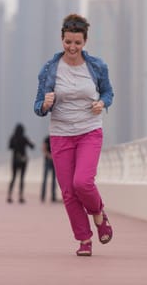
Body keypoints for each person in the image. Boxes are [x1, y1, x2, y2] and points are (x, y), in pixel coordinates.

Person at [33, 13, 114, 257]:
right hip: (60, 135)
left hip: (89, 131)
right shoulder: (49, 69)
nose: (72, 47)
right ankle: (84, 239)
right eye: (68, 42)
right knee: (68, 191)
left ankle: (98, 214)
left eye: (77, 43)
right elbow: (37, 106)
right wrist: (45, 104)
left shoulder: (97, 66)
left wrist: (102, 102)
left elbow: (108, 93)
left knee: (83, 183)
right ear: (62, 39)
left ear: (84, 42)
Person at [7, 123, 35, 203]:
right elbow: (32, 146)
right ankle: (20, 196)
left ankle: (9, 195)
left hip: (15, 160)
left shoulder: (12, 138)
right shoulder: (24, 138)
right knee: (22, 179)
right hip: (23, 160)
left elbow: (9, 147)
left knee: (13, 177)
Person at [41, 135, 58, 203]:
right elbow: (44, 149)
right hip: (48, 160)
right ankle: (43, 196)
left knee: (53, 180)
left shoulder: (54, 138)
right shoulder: (47, 139)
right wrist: (50, 156)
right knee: (45, 179)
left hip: (54, 160)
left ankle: (53, 196)